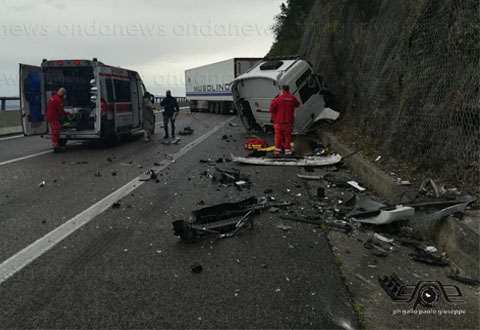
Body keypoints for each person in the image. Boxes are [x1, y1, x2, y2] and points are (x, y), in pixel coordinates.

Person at [269, 85, 300, 157]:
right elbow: (297, 104)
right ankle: (287, 151)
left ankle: (277, 151)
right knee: (287, 136)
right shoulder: (292, 98)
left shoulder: (279, 98)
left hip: (279, 122)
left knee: (278, 136)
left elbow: (271, 109)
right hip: (289, 122)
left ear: (282, 90)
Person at [46, 88, 69, 152]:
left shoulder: (52, 98)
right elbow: (61, 111)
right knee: (56, 131)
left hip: (51, 117)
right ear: (63, 93)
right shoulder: (58, 100)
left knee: (55, 130)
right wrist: (68, 113)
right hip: (54, 117)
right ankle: (55, 145)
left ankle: (56, 144)